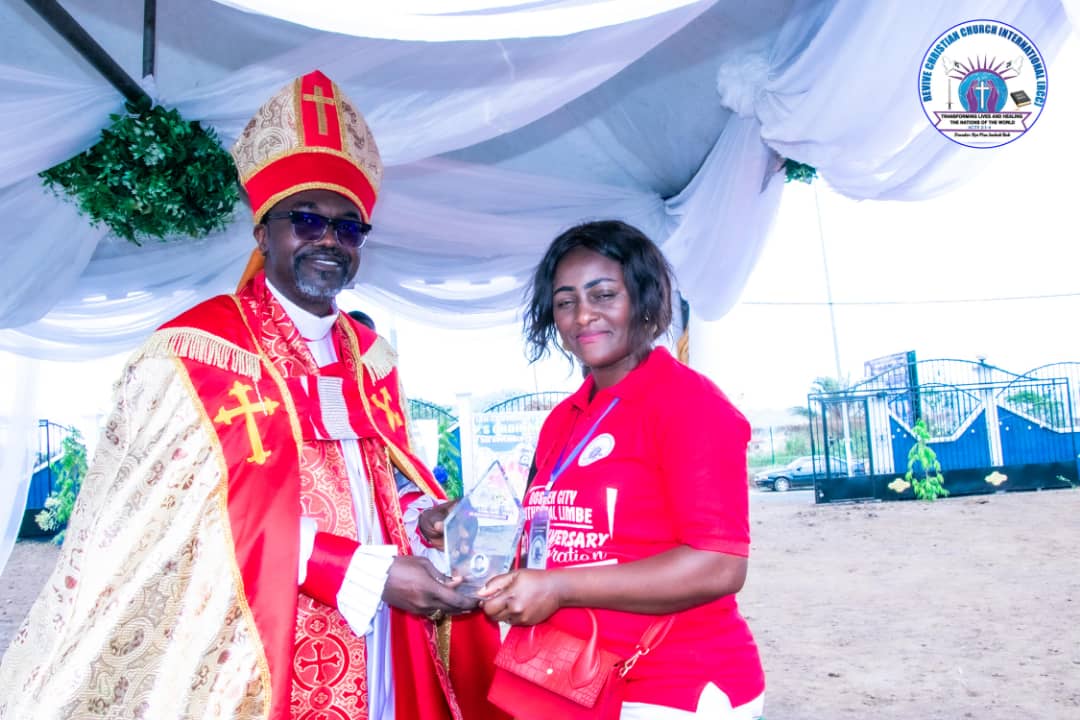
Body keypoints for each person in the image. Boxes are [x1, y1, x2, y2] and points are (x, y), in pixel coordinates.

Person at [0, 70, 507, 720]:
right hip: (253, 637)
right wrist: (362, 570)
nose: (329, 240)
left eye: (348, 228)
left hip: (379, 635)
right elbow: (186, 518)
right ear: (263, 233)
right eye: (307, 220)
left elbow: (376, 484)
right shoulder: (196, 352)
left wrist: (422, 518)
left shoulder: (371, 357)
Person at [478, 220, 766, 719]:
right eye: (565, 301)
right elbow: (556, 535)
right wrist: (468, 523)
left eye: (604, 295)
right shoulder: (563, 419)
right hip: (574, 680)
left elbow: (719, 565)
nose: (582, 315)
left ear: (645, 298)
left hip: (671, 686)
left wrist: (559, 588)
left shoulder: (690, 405)